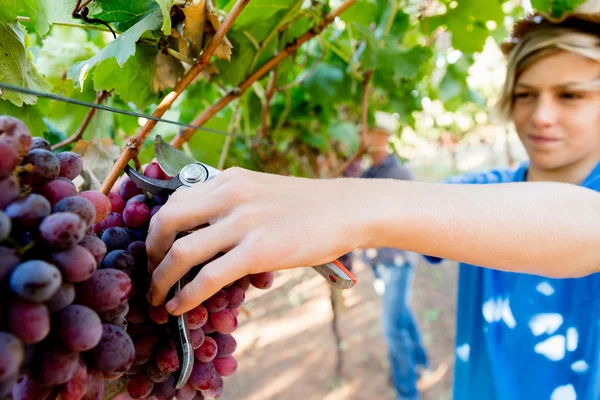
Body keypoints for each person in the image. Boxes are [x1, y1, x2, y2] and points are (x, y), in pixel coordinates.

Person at [144, 11, 600, 398]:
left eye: (571, 95)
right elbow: (440, 206)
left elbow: (585, 223)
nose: (541, 115)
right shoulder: (492, 184)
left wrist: (355, 207)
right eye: (524, 95)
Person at [357, 125, 430, 400]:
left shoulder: (399, 174)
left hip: (398, 261)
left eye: (368, 132)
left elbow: (414, 219)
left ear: (383, 138)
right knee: (402, 313)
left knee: (391, 327)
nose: (362, 138)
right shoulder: (367, 175)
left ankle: (408, 392)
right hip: (379, 263)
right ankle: (421, 360)